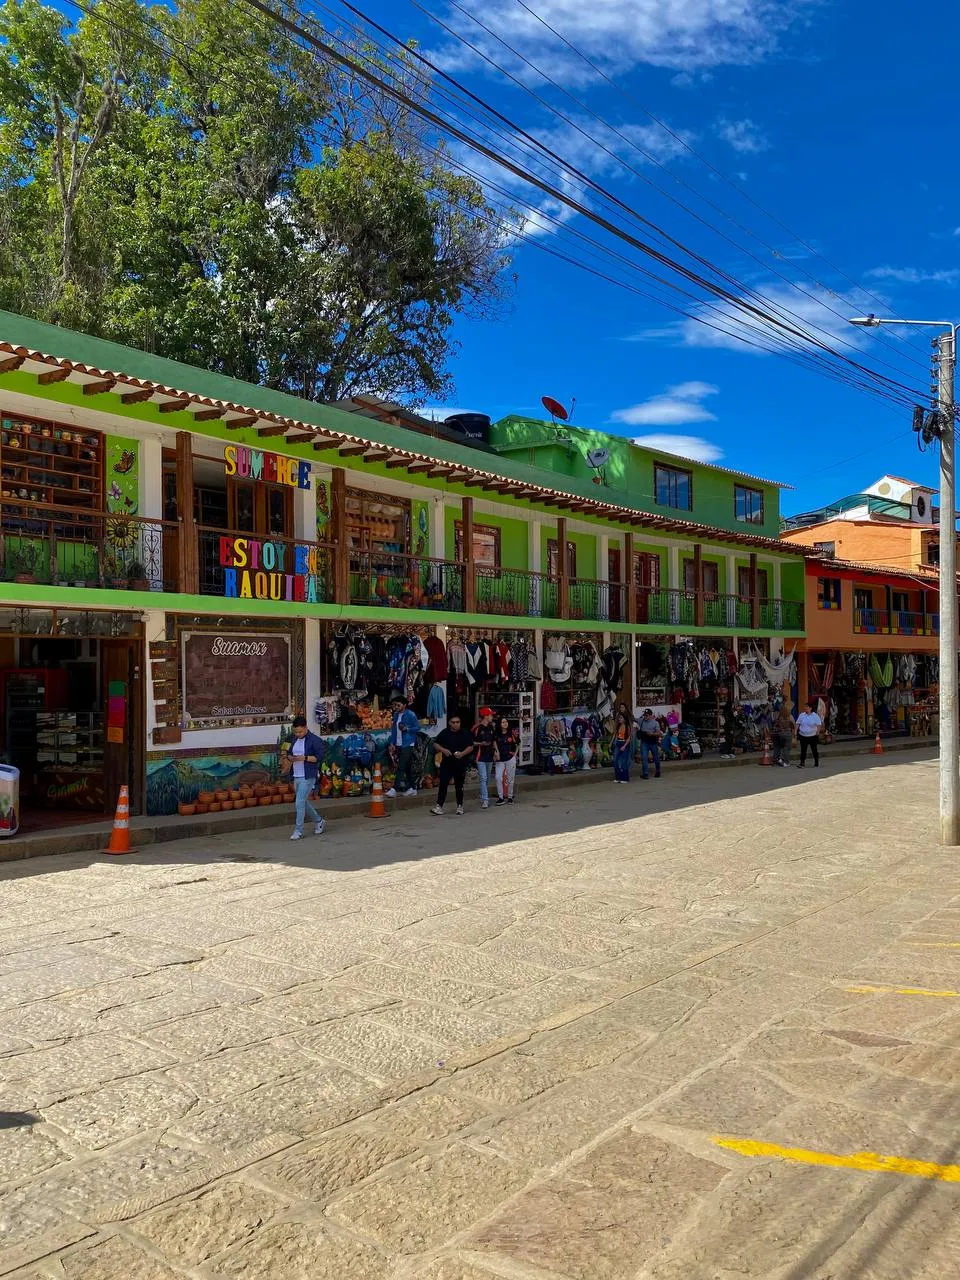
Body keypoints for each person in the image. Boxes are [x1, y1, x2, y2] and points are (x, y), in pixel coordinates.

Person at [281, 715, 325, 841]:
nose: (298, 734)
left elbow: (319, 757)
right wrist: (291, 758)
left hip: (308, 775)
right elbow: (288, 753)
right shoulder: (293, 739)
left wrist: (304, 758)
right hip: (296, 774)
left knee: (299, 802)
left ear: (306, 728)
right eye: (296, 731)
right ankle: (319, 820)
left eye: (300, 731)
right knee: (303, 802)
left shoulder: (315, 740)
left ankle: (298, 830)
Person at [430, 714, 474, 816]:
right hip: (446, 763)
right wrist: (443, 750)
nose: (455, 724)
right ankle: (439, 806)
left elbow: (471, 747)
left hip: (460, 763)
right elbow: (435, 744)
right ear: (450, 723)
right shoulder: (445, 733)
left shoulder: (465, 733)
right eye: (453, 722)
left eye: (457, 722)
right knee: (443, 785)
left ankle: (460, 806)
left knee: (459, 786)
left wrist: (462, 754)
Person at [386, 693, 420, 797]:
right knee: (407, 766)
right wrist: (392, 742)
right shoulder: (396, 715)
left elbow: (418, 727)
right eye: (395, 705)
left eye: (398, 705)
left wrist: (407, 729)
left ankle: (394, 789)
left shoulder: (411, 714)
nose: (396, 707)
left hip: (408, 743)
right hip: (399, 743)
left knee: (401, 766)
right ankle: (413, 788)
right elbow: (394, 730)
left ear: (404, 705)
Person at [472, 706, 497, 809]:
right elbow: (470, 742)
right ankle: (485, 800)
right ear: (486, 716)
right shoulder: (476, 728)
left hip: (489, 756)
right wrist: (480, 743)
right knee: (483, 778)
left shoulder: (491, 727)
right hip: (480, 756)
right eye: (491, 715)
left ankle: (483, 796)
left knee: (487, 779)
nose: (492, 717)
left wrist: (496, 751)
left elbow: (494, 740)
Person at [494, 715, 520, 805]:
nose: (505, 724)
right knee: (498, 777)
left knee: (510, 779)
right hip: (500, 760)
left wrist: (515, 754)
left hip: (510, 758)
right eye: (503, 722)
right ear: (499, 724)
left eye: (506, 722)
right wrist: (496, 751)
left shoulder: (511, 733)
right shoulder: (496, 734)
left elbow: (518, 744)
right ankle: (500, 797)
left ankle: (510, 797)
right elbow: (493, 743)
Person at [796, 700, 823, 768]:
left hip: (812, 736)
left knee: (814, 749)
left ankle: (816, 762)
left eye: (807, 707)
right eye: (805, 707)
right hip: (803, 735)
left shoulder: (815, 716)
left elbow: (819, 724)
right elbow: (797, 723)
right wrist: (795, 731)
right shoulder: (802, 715)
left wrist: (818, 732)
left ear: (810, 708)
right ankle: (802, 763)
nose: (805, 708)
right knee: (803, 750)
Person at [637, 708, 662, 780]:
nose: (645, 717)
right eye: (644, 715)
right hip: (644, 742)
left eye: (647, 715)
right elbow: (634, 719)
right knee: (644, 758)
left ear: (651, 716)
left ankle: (658, 771)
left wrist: (652, 734)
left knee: (656, 758)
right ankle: (645, 774)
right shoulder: (641, 721)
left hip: (653, 742)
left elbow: (659, 733)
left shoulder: (655, 723)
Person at [611, 709, 634, 783]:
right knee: (615, 760)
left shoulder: (628, 727)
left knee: (624, 761)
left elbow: (629, 737)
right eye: (619, 718)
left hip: (625, 743)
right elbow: (616, 735)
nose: (620, 719)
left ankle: (625, 778)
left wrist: (624, 746)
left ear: (624, 719)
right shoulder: (618, 726)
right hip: (618, 743)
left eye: (621, 718)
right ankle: (618, 777)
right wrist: (613, 743)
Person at [772, 703, 795, 767]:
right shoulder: (790, 717)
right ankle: (785, 762)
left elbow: (774, 725)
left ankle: (776, 760)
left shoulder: (778, 717)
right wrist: (794, 734)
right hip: (787, 734)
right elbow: (793, 725)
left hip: (778, 734)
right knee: (787, 748)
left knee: (777, 748)